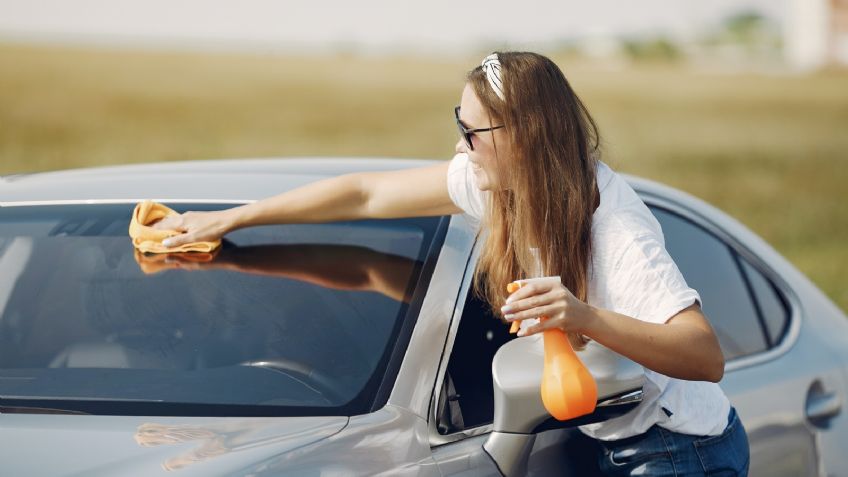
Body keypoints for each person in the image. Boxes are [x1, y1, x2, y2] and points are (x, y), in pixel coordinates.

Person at [154, 51, 750, 476]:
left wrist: (582, 316)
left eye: (475, 131)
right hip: (601, 440)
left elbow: (705, 355)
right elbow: (364, 195)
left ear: (526, 136)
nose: (461, 145)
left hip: (676, 453)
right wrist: (229, 220)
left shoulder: (613, 227)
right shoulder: (492, 182)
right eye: (458, 123)